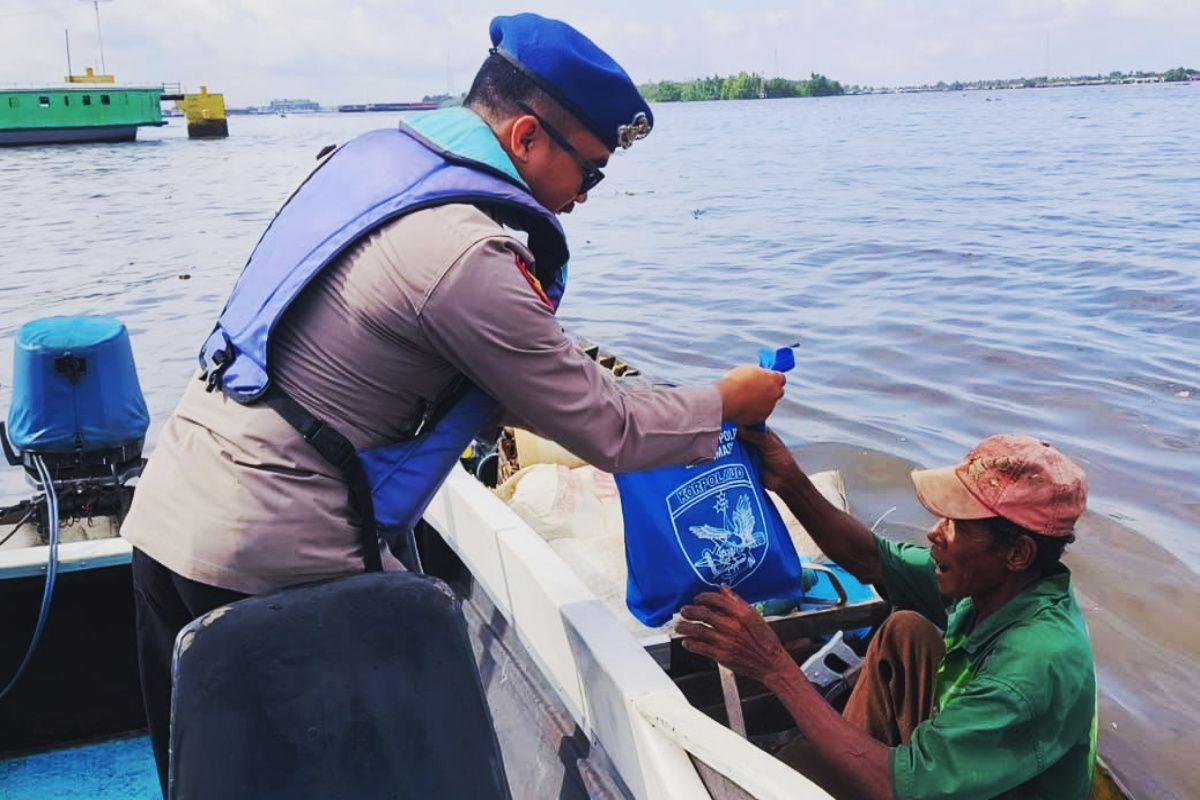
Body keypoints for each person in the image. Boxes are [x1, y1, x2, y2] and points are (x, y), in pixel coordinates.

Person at [119, 12, 786, 795]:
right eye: (592, 171)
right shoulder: (468, 255)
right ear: (529, 136)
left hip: (173, 510)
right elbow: (607, 427)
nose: (585, 197)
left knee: (208, 772)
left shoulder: (369, 163)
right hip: (273, 558)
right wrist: (725, 400)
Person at [678, 431, 1097, 800]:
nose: (935, 532)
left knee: (800, 766)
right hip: (968, 770)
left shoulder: (1032, 666)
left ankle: (853, 768)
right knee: (906, 632)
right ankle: (853, 761)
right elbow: (870, 560)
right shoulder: (996, 588)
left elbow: (903, 789)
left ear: (1017, 553)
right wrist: (788, 479)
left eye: (959, 524)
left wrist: (773, 666)